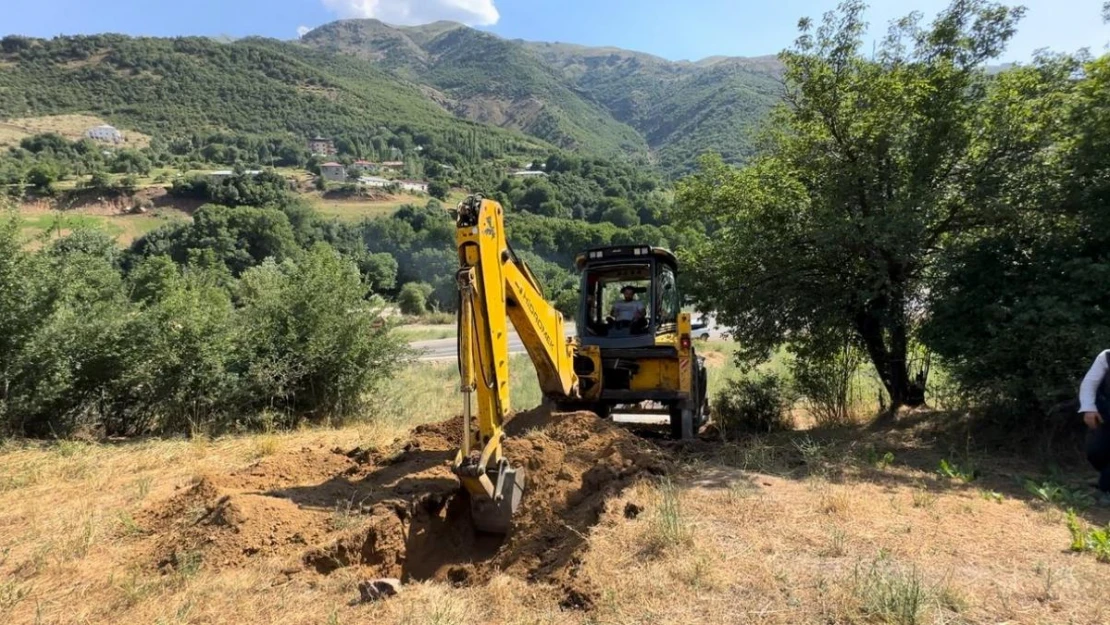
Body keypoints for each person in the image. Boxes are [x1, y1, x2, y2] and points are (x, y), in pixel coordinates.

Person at [1078, 349, 1110, 496]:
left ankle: (1105, 489)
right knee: (1095, 452)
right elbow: (1089, 383)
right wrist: (1088, 408)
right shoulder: (1106, 356)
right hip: (1106, 413)